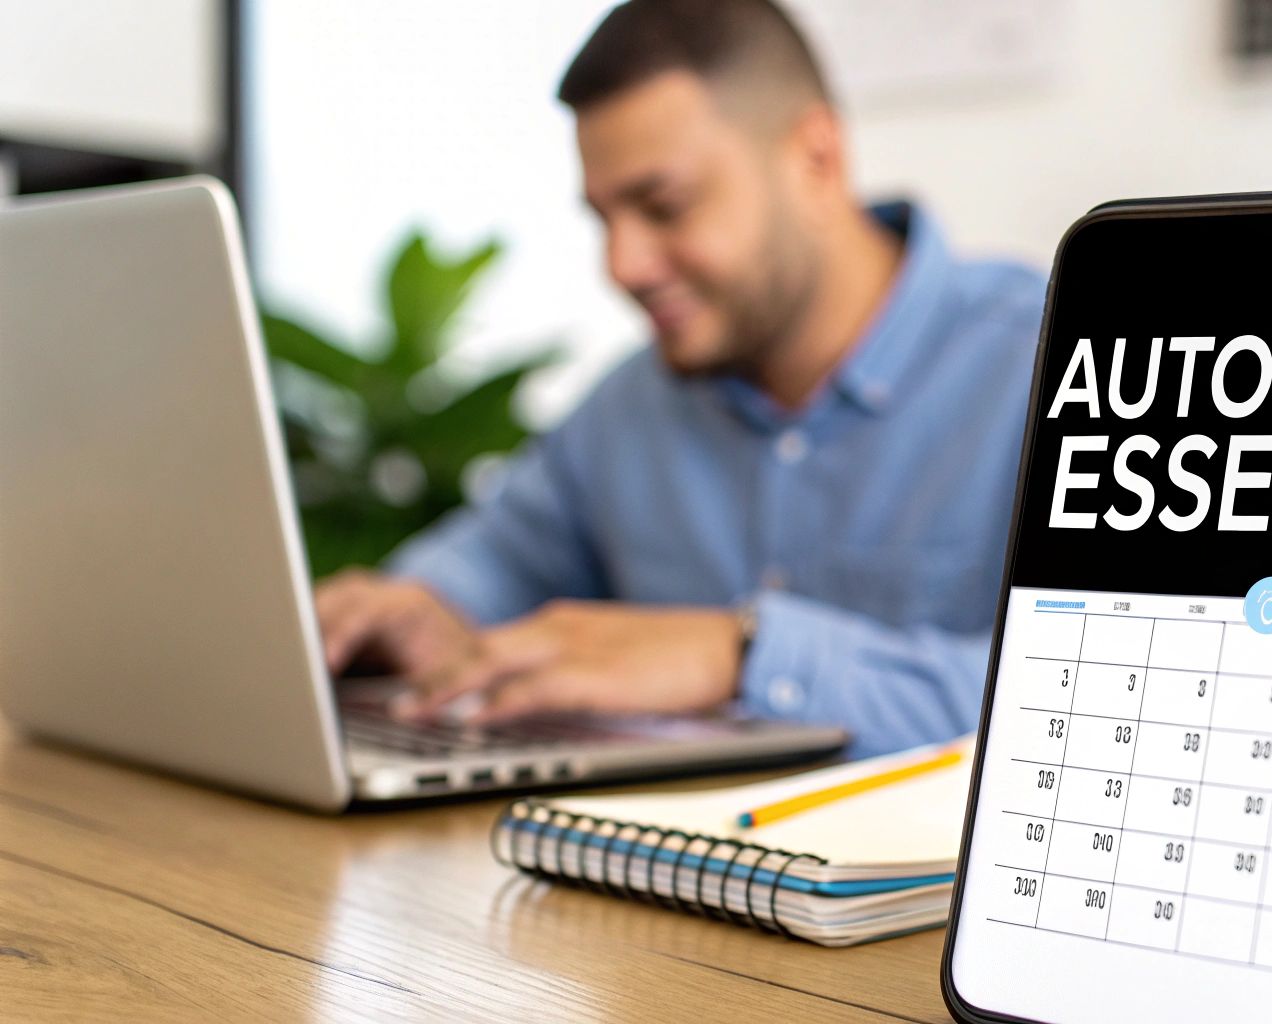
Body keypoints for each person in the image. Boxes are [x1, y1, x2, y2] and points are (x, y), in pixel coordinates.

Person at [312, 0, 1046, 757]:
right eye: (603, 218)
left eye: (664, 206)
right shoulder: (628, 408)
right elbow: (496, 557)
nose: (621, 265)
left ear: (816, 162)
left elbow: (1122, 707)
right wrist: (414, 608)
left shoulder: (1055, 369)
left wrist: (737, 654)